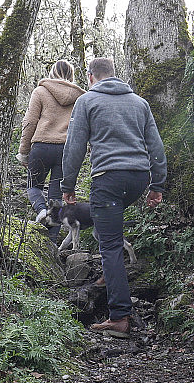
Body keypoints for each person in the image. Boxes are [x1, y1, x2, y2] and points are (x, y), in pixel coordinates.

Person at [61, 57, 167, 338]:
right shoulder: (139, 103)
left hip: (108, 178)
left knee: (108, 243)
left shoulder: (87, 101)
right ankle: (113, 274)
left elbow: (75, 146)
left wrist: (67, 184)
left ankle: (120, 317)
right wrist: (158, 184)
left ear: (91, 76)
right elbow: (155, 146)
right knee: (109, 228)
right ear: (114, 75)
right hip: (138, 178)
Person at [16, 60, 85, 243]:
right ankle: (52, 244)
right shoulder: (80, 98)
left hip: (41, 147)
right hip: (65, 150)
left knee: (33, 186)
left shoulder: (40, 91)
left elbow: (29, 122)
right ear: (71, 75)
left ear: (52, 72)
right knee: (56, 198)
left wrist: (24, 151)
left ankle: (40, 211)